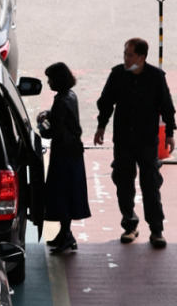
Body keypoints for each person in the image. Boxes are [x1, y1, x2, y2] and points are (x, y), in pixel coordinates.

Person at [94, 38, 176, 247]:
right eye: (125, 54)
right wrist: (101, 126)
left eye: (130, 55)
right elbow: (106, 102)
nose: (126, 58)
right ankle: (130, 225)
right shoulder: (118, 75)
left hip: (147, 141)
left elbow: (166, 105)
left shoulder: (156, 77)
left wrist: (169, 133)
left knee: (150, 184)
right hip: (123, 140)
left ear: (142, 57)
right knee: (123, 183)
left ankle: (156, 230)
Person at [39, 63, 92, 254]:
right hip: (73, 152)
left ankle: (67, 235)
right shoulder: (70, 96)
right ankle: (65, 233)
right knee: (70, 193)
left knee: (60, 194)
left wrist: (42, 125)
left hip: (63, 154)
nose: (48, 82)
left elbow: (53, 131)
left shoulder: (61, 100)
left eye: (51, 78)